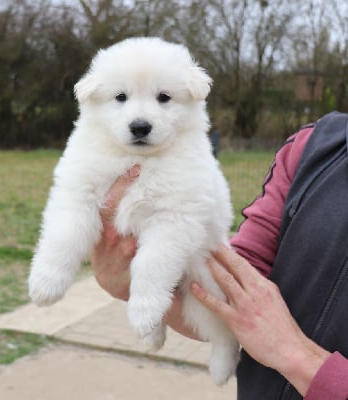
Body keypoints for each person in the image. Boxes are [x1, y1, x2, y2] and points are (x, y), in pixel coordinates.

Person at [90, 112, 348, 399]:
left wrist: (297, 356)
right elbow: (233, 294)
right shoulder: (314, 145)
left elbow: (271, 335)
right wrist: (136, 285)